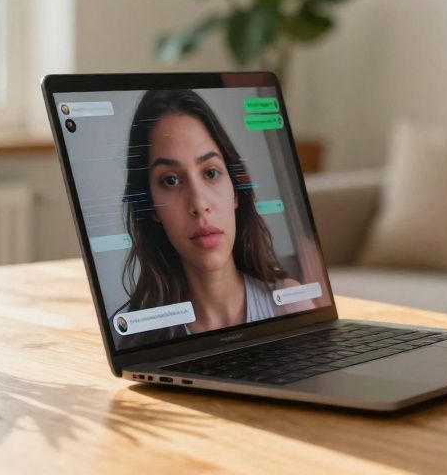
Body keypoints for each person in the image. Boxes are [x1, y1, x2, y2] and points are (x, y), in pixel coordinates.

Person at [112, 89, 318, 349]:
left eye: (210, 173)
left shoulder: (290, 305)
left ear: (235, 192)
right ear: (151, 206)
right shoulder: (139, 338)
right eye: (171, 180)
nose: (199, 204)